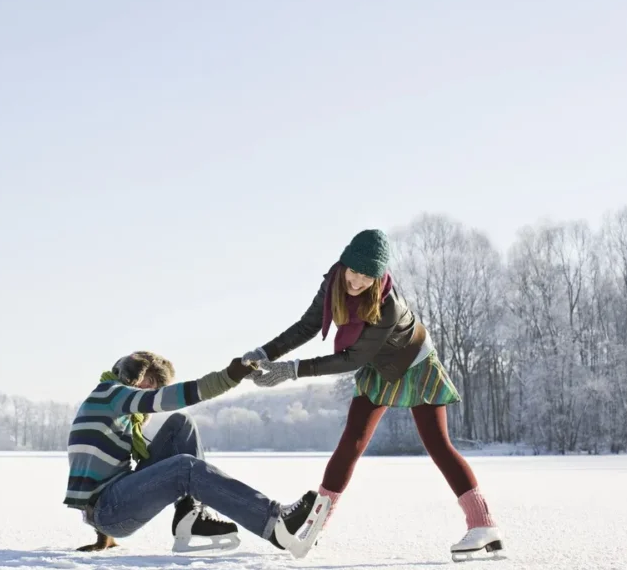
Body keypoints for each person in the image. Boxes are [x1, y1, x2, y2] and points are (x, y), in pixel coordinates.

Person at [242, 228, 504, 562]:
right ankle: (316, 524)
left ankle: (484, 525)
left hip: (414, 364)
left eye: (367, 277)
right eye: (354, 272)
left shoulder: (388, 303)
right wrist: (266, 352)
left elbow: (353, 359)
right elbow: (308, 325)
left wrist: (290, 371)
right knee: (352, 441)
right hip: (380, 366)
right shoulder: (333, 282)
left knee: (437, 444)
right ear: (345, 264)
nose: (357, 282)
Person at [64, 350, 319, 555]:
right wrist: (227, 377)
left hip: (111, 503)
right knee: (184, 468)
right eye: (151, 383)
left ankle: (191, 514)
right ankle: (275, 524)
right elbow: (167, 398)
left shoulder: (112, 403)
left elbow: (94, 469)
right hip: (110, 509)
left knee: (180, 425)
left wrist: (103, 536)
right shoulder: (111, 393)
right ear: (134, 373)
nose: (151, 391)